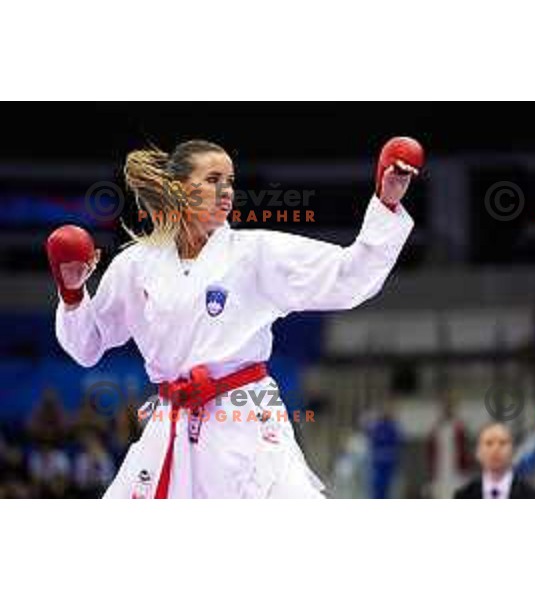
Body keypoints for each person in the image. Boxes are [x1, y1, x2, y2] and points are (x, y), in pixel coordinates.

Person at [46, 139, 418, 499]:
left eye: (230, 182)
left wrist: (387, 202)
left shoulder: (254, 253)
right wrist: (73, 294)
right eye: (212, 180)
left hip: (243, 419)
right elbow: (87, 347)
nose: (226, 190)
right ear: (178, 188)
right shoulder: (136, 265)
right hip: (170, 424)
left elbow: (347, 278)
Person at [454, 422, 535, 499]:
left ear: (512, 451)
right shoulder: (462, 496)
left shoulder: (534, 496)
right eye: (489, 443)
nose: (496, 449)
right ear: (478, 453)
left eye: (502, 443)